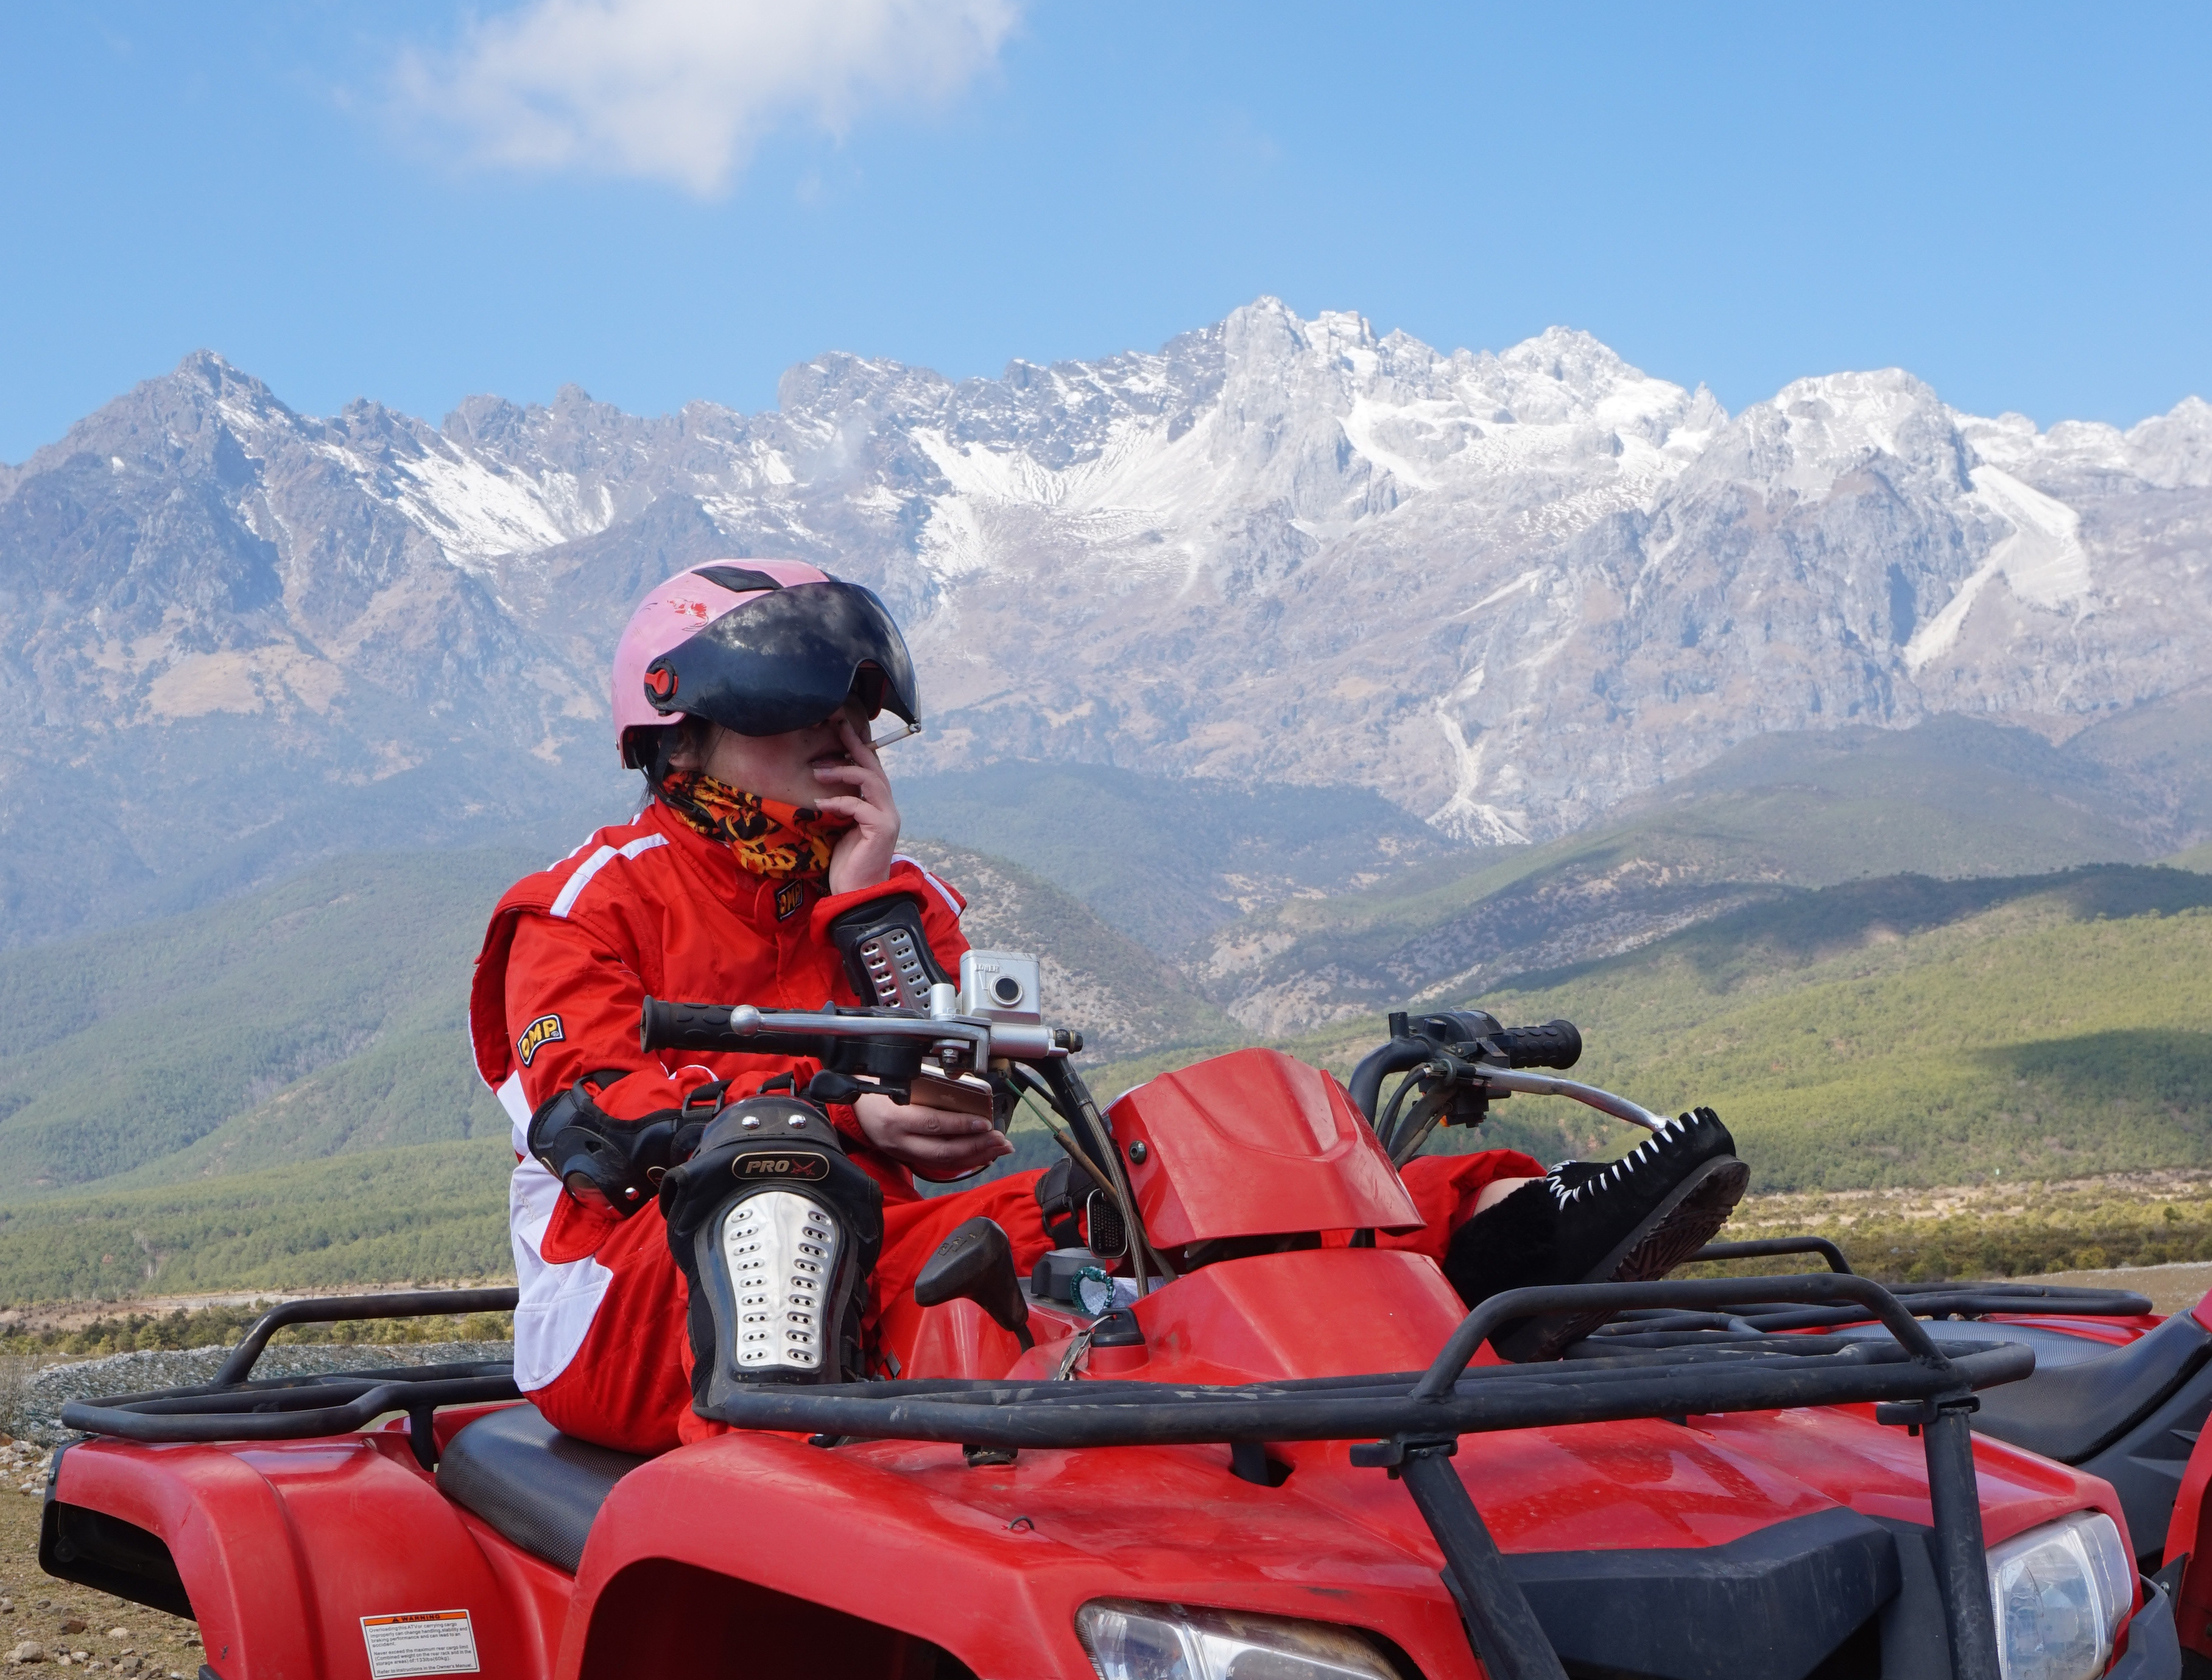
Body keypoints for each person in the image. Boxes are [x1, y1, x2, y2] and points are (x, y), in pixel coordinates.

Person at [471, 561, 1746, 1452]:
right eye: (793, 704)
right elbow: (598, 1128)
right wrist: (840, 1110)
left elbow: (954, 1108)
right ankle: (795, 1471)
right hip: (643, 1300)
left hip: (882, 1252)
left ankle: (1512, 1236)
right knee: (781, 1181)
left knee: (1188, 1142)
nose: (839, 729)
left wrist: (862, 907)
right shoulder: (580, 905)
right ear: (678, 729)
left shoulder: (896, 897)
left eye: (856, 704)